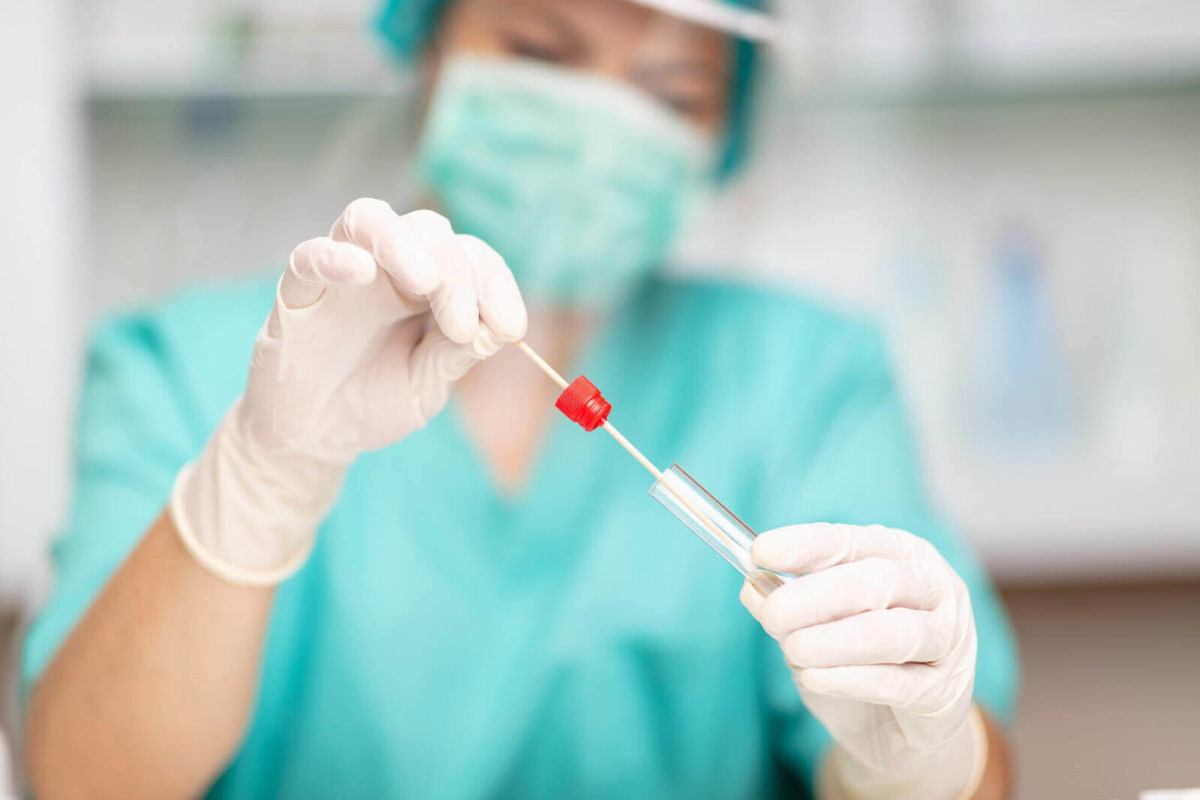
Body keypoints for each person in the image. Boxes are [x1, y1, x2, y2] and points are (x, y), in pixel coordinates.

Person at [22, 0, 1018, 797]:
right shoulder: (185, 364)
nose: (597, 123)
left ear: (725, 131)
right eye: (542, 47)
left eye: (670, 94)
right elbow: (78, 779)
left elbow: (982, 775)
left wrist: (918, 760)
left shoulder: (803, 379)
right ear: (428, 44)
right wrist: (258, 472)